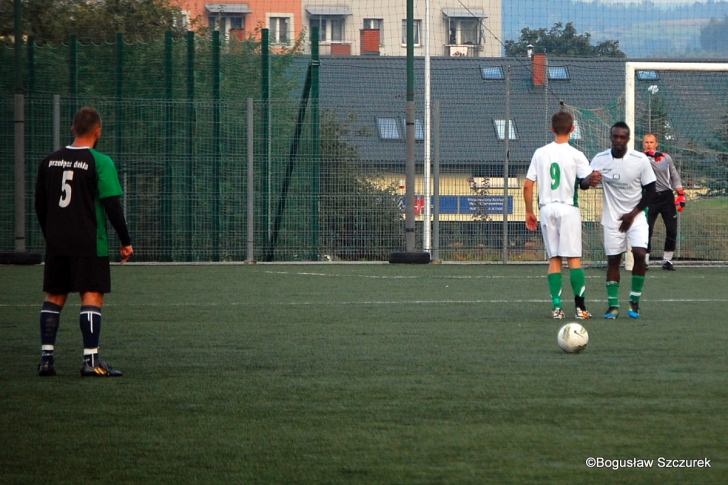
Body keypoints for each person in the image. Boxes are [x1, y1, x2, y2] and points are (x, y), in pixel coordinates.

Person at [35, 106, 133, 377]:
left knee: (54, 296)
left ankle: (46, 359)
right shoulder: (100, 162)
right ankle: (91, 361)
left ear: (72, 129)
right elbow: (112, 205)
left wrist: (51, 234)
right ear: (98, 131)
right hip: (90, 241)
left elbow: (40, 205)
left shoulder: (49, 161)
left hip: (57, 242)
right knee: (91, 295)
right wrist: (126, 241)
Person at [524, 111, 601, 320]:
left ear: (551, 129)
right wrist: (592, 180)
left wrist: (529, 211)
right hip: (568, 209)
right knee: (574, 259)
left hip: (546, 209)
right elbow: (585, 182)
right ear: (573, 129)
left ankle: (557, 308)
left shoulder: (540, 153)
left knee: (554, 258)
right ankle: (580, 309)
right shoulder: (576, 154)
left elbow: (528, 184)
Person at [590, 122, 656, 319]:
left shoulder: (640, 160)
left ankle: (634, 302)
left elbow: (651, 191)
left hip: (635, 217)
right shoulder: (600, 159)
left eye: (622, 137)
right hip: (612, 220)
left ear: (628, 139)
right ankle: (613, 306)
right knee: (613, 260)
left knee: (639, 253)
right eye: (615, 136)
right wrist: (589, 180)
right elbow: (584, 182)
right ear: (611, 137)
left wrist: (632, 214)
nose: (618, 140)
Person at [642, 133, 686, 271]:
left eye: (651, 142)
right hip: (650, 197)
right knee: (646, 230)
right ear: (643, 144)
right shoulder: (640, 158)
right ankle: (644, 261)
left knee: (672, 230)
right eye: (646, 142)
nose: (649, 144)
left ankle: (667, 260)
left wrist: (680, 194)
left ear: (656, 144)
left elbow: (674, 175)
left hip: (667, 197)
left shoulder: (666, 158)